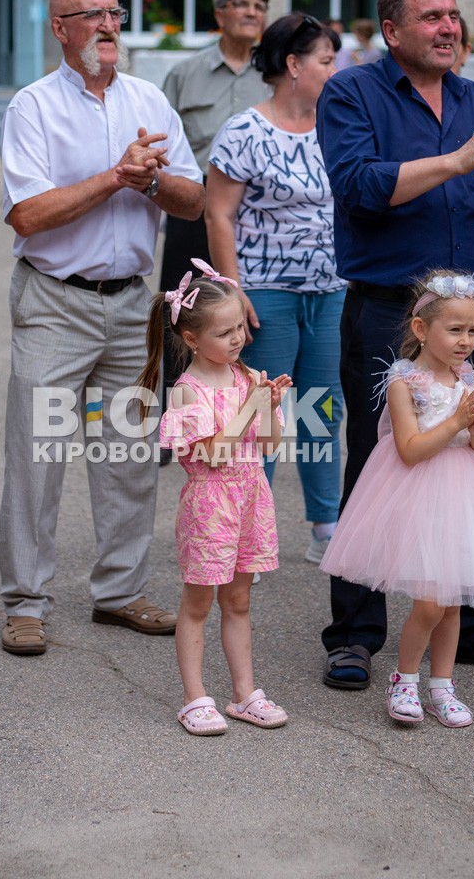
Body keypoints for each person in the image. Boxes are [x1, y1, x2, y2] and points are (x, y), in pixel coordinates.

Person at [316, 0, 474, 690]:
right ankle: (355, 635)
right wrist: (455, 160)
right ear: (392, 29)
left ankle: (471, 624)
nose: (449, 28)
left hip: (473, 314)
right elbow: (359, 187)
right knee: (378, 460)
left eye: (453, 15)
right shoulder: (352, 92)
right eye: (432, 17)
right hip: (391, 311)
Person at [0, 0, 203, 656]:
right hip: (56, 302)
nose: (110, 25)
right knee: (39, 455)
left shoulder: (148, 99)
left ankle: (120, 592)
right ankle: (26, 603)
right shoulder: (32, 107)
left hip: (131, 305)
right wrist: (116, 177)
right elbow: (26, 213)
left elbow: (193, 202)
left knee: (129, 458)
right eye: (94, 15)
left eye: (115, 13)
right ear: (61, 29)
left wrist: (150, 179)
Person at [321, 272, 474, 727]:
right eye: (455, 329)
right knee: (430, 601)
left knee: (453, 601)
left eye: (472, 330)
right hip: (419, 494)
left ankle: (442, 686)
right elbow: (409, 450)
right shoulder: (405, 382)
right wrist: (455, 421)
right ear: (422, 330)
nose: (466, 341)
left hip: (465, 497)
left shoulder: (470, 380)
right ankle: (404, 680)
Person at [206, 14, 345, 561]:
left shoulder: (339, 125)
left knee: (321, 407)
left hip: (330, 291)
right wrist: (232, 293)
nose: (336, 70)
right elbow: (218, 216)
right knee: (261, 413)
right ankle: (247, 533)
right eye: (327, 60)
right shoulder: (245, 130)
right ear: (293, 65)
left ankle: (325, 525)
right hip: (264, 294)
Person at [138, 264, 291, 735]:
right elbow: (215, 454)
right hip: (211, 507)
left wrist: (269, 407)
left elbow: (269, 447)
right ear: (190, 337)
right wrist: (250, 408)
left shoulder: (245, 377)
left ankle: (244, 693)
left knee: (240, 600)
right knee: (198, 604)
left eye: (239, 327)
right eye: (223, 332)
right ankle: (194, 698)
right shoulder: (187, 391)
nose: (237, 339)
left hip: (251, 499)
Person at [157, 0, 272, 456]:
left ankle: (238, 418)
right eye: (241, 5)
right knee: (179, 312)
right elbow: (163, 144)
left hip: (254, 219)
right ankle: (178, 422)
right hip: (195, 209)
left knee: (239, 315)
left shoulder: (272, 76)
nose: (251, 12)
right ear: (219, 15)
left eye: (259, 6)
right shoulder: (186, 74)